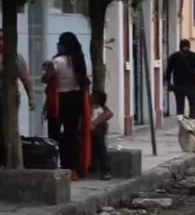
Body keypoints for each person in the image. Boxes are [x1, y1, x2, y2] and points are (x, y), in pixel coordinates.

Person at [42, 32, 91, 179]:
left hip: (60, 99)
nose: (57, 45)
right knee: (72, 135)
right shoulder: (82, 61)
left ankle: (56, 164)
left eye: (59, 43)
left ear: (64, 45)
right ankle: (73, 170)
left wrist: (47, 69)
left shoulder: (58, 62)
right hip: (76, 99)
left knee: (55, 134)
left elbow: (45, 79)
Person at [0, 34, 37, 167]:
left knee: (10, 132)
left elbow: (26, 78)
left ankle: (14, 164)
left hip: (9, 98)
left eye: (2, 39)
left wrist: (32, 97)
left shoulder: (15, 58)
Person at [165, 39, 195, 119]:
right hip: (191, 85)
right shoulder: (194, 56)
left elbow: (168, 71)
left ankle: (182, 126)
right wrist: (193, 74)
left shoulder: (174, 56)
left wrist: (169, 84)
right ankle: (191, 125)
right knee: (192, 106)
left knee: (180, 108)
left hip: (178, 85)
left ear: (180, 46)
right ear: (189, 46)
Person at [90, 90, 113, 180]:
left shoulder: (100, 108)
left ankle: (106, 170)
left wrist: (94, 123)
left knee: (99, 144)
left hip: (96, 129)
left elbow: (109, 113)